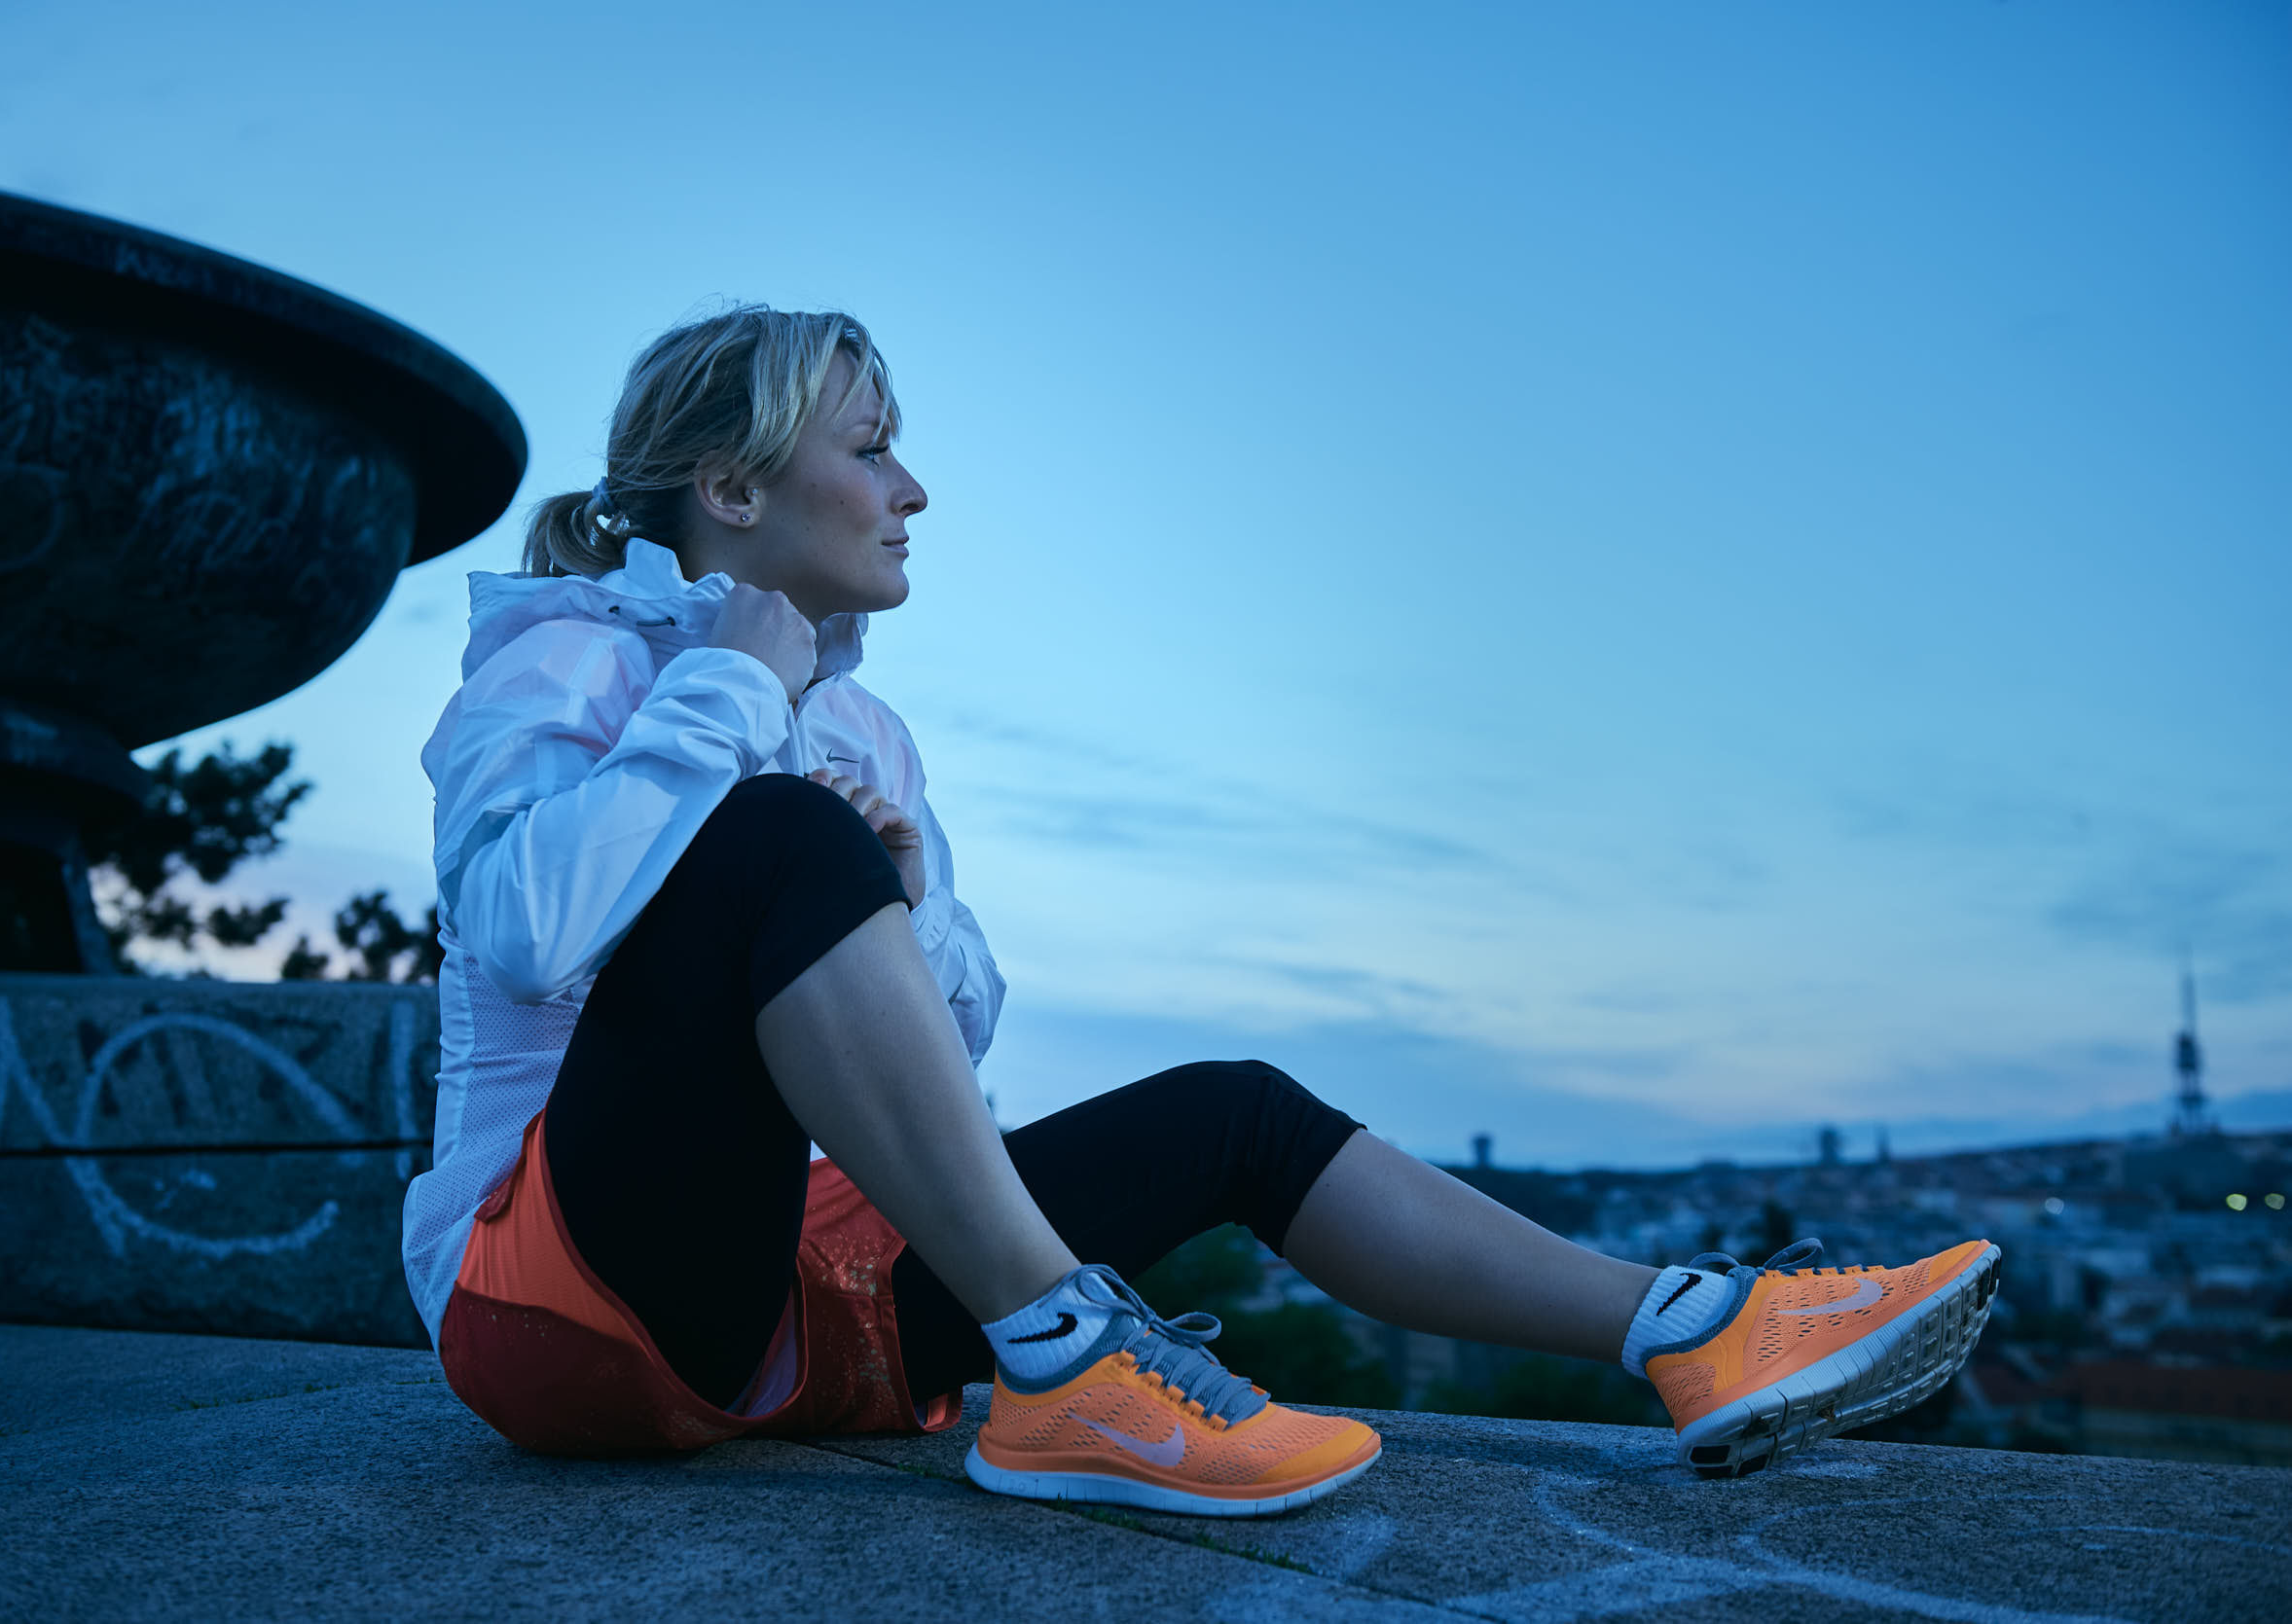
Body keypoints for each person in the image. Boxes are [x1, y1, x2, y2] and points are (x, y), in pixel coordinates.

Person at [398, 305, 2000, 1514]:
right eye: (873, 446)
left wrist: (895, 894)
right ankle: (1067, 1364)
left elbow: (937, 1062)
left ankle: (1694, 1328)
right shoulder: (573, 660)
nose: (916, 488)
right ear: (735, 490)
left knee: (1236, 1111)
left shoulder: (859, 730)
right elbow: (528, 932)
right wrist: (731, 695)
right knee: (773, 837)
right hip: (547, 1301)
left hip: (791, 1310)